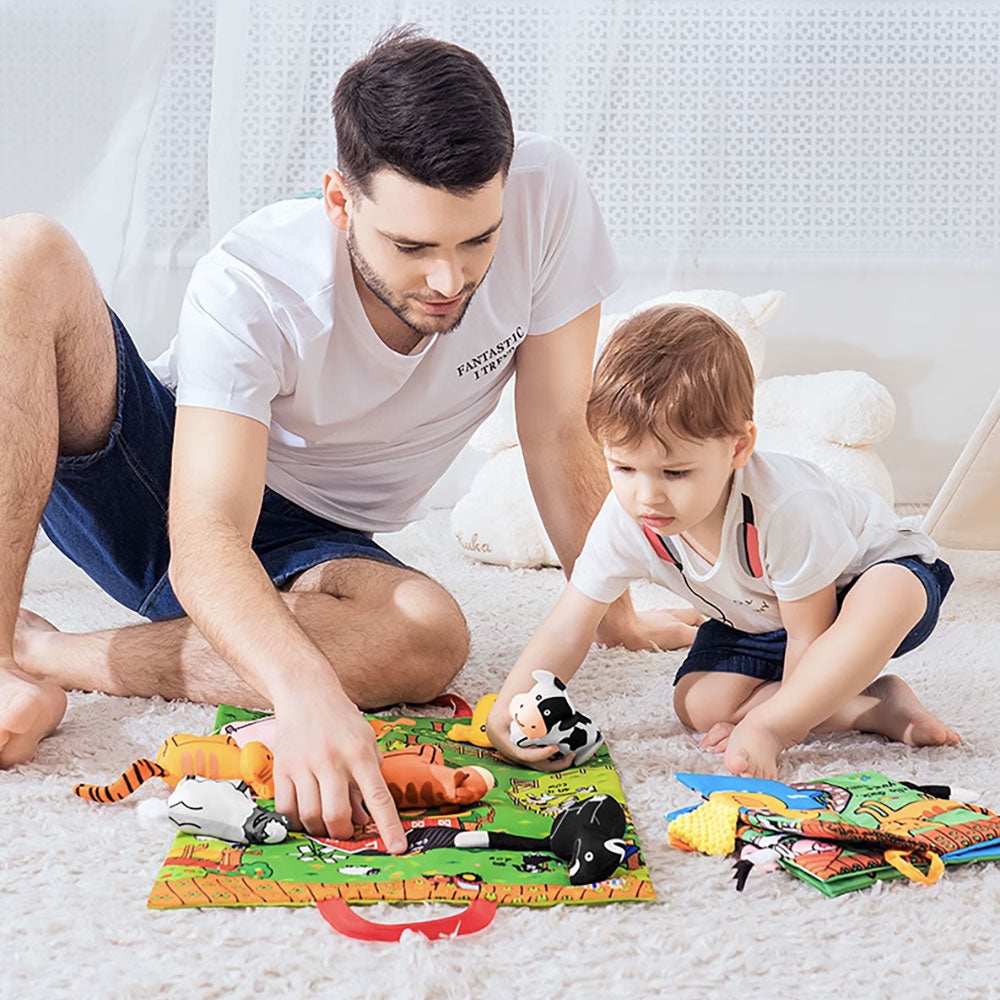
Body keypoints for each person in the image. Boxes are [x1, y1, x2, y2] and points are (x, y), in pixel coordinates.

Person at [0, 30, 695, 846]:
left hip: (315, 544)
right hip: (163, 483)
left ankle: (46, 654)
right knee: (27, 250)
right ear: (340, 201)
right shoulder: (254, 281)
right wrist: (307, 694)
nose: (449, 281)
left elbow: (552, 427)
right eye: (412, 247)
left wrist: (608, 607)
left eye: (477, 241)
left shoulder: (548, 198)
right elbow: (205, 537)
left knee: (429, 634)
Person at [486, 303, 961, 779]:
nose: (647, 495)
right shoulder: (626, 519)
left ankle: (792, 710)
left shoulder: (786, 507)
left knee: (891, 594)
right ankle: (872, 705)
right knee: (697, 703)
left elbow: (808, 634)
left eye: (676, 472)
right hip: (757, 620)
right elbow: (568, 627)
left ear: (738, 447)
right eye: (624, 467)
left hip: (850, 595)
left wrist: (771, 727)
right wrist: (509, 708)